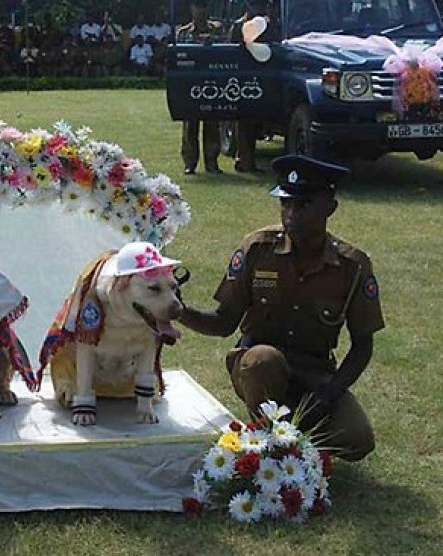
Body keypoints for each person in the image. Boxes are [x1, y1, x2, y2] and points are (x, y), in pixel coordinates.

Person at [178, 155, 382, 462]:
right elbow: (223, 323)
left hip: (314, 375)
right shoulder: (258, 249)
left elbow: (363, 345)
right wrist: (177, 310)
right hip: (258, 366)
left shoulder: (352, 266)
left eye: (303, 205)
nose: (291, 214)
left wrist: (329, 394)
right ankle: (268, 441)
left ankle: (296, 439)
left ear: (330, 208)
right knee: (263, 361)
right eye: (285, 204)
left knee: (356, 439)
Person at [229, 0, 277, 173]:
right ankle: (243, 160)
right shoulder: (238, 26)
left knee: (255, 123)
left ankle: (248, 159)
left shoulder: (268, 25)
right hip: (242, 78)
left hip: (262, 77)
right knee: (243, 122)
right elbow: (232, 51)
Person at [176, 0, 224, 175]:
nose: (200, 10)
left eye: (203, 6)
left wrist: (211, 42)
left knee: (212, 124)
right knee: (190, 126)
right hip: (191, 83)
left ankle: (212, 162)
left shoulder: (217, 29)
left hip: (212, 82)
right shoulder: (183, 32)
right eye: (197, 6)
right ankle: (190, 163)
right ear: (191, 9)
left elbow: (225, 50)